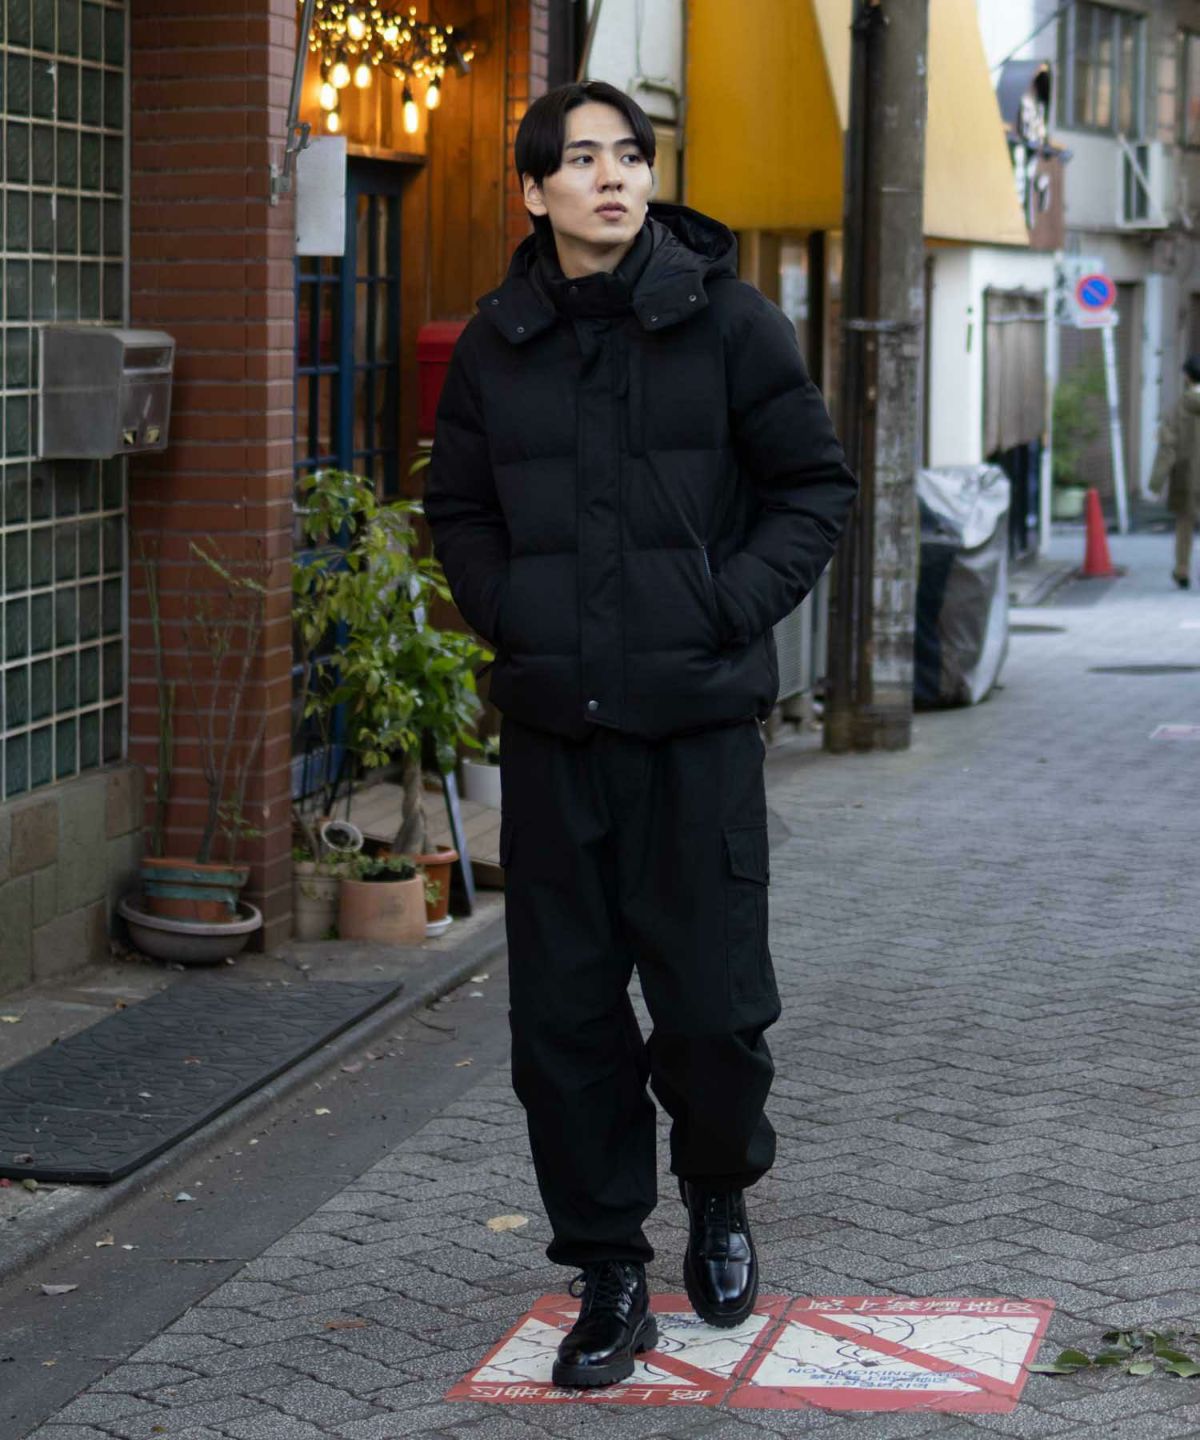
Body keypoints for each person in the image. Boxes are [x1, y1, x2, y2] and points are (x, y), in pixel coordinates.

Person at [423, 81, 856, 1390]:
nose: (612, 175)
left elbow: (812, 486)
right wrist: (516, 615)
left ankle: (718, 1194)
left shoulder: (729, 321)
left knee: (713, 1016)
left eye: (630, 154)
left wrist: (722, 607)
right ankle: (609, 1269)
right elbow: (460, 511)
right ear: (534, 191)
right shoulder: (498, 345)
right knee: (563, 1028)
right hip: (557, 738)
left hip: (696, 735)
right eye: (581, 158)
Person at [1150, 354, 1200, 589]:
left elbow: (1168, 444)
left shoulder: (1179, 408)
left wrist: (1156, 481)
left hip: (1187, 474)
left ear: (1187, 377)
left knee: (1184, 523)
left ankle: (1182, 569)